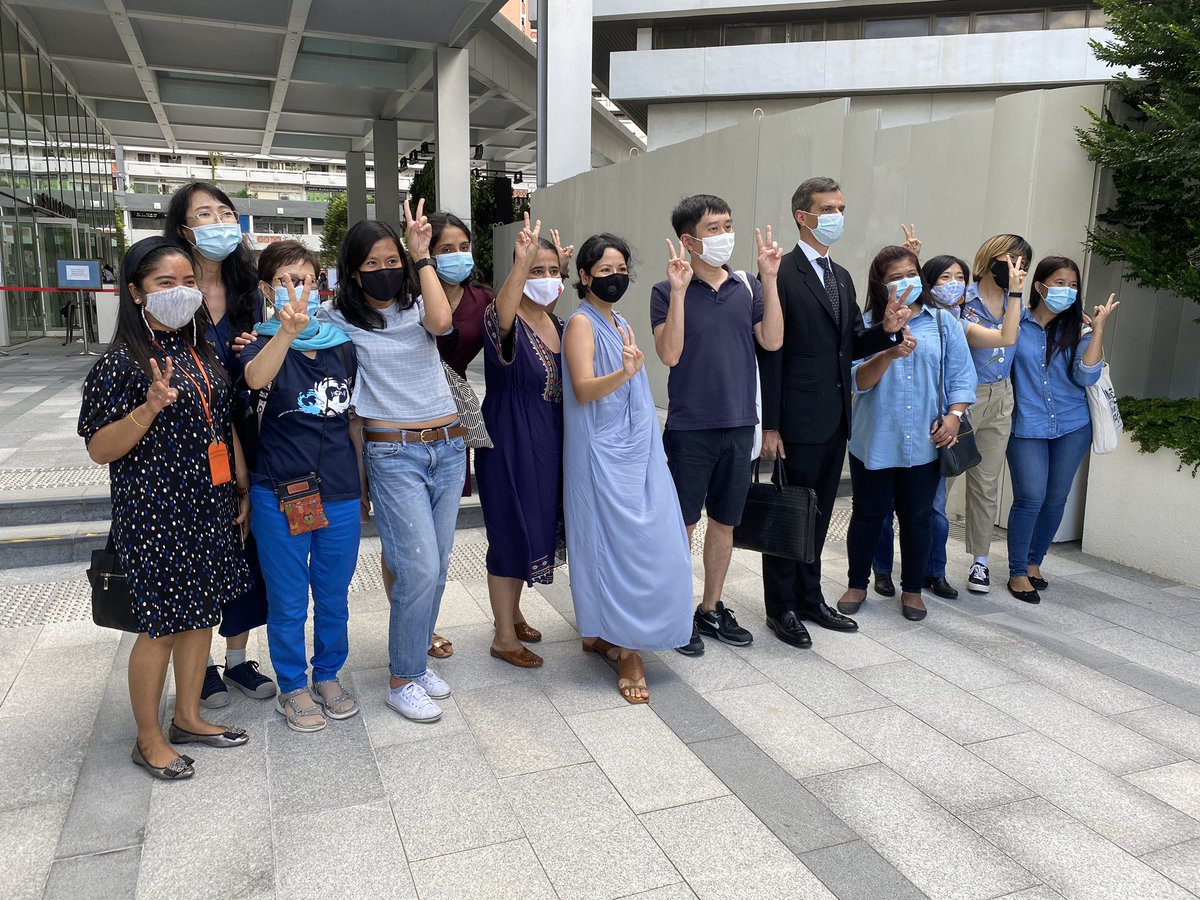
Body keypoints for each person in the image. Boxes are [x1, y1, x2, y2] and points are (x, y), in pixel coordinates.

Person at [79, 236, 251, 780]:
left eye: (188, 282)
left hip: (209, 503)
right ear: (135, 292)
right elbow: (98, 448)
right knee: (159, 625)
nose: (181, 292)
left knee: (202, 614)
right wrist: (150, 407)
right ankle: (148, 738)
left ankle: (188, 715)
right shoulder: (121, 363)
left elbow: (219, 419)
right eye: (164, 283)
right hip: (154, 512)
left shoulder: (198, 348)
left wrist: (240, 488)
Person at [322, 201, 465, 724]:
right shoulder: (336, 319)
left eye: (392, 261)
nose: (385, 271)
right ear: (353, 271)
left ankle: (416, 659)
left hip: (449, 445)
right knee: (419, 567)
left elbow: (444, 321)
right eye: (372, 264)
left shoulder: (416, 303)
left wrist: (422, 255)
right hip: (393, 451)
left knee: (439, 565)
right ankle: (402, 678)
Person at [757, 177, 908, 648]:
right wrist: (772, 425)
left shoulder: (840, 275)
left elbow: (848, 348)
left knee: (819, 515)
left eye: (841, 207)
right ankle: (780, 607)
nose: (837, 216)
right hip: (796, 420)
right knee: (789, 512)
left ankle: (809, 596)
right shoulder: (780, 273)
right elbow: (771, 354)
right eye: (827, 208)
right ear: (802, 216)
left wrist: (885, 331)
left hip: (835, 417)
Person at [651, 195, 784, 657]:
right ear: (688, 241)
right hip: (690, 428)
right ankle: (673, 612)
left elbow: (773, 339)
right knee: (682, 525)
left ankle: (710, 608)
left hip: (740, 423)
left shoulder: (746, 286)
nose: (724, 234)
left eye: (728, 224)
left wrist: (769, 278)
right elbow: (669, 354)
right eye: (713, 228)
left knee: (725, 523)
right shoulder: (665, 291)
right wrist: (682, 292)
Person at [563, 233, 692, 703]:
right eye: (604, 271)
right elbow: (583, 389)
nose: (614, 278)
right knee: (619, 546)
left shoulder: (615, 319)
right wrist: (626, 372)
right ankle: (629, 649)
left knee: (653, 542)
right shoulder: (581, 323)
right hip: (602, 455)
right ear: (583, 276)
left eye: (621, 270)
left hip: (637, 448)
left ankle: (605, 630)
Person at [241, 241, 361, 732]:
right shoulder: (256, 344)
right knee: (288, 599)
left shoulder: (340, 343)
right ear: (267, 289)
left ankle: (327, 673)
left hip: (339, 489)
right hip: (279, 491)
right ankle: (291, 685)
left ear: (319, 283)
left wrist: (364, 483)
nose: (299, 289)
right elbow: (253, 379)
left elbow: (349, 416)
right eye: (287, 280)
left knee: (334, 594)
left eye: (307, 279)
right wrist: (284, 336)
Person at [165, 182, 275, 708]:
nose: (218, 222)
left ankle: (237, 659)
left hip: (251, 437)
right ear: (184, 229)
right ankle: (200, 664)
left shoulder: (253, 292)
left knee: (250, 550)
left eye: (225, 212)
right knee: (200, 552)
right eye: (204, 214)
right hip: (191, 445)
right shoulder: (170, 296)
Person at [836, 245, 976, 620]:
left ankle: (913, 589)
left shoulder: (944, 322)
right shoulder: (866, 324)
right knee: (868, 513)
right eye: (894, 277)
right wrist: (887, 351)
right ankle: (857, 582)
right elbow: (859, 382)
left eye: (910, 273)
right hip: (875, 439)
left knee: (917, 517)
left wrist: (954, 416)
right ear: (880, 285)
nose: (904, 282)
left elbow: (962, 376)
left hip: (926, 440)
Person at [871, 253, 1022, 600]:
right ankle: (881, 569)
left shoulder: (950, 322)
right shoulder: (879, 319)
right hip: (889, 423)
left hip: (937, 426)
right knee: (881, 505)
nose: (953, 284)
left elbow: (993, 348)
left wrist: (954, 414)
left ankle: (933, 571)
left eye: (959, 277)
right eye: (944, 278)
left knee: (932, 508)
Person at [476, 215, 566, 668]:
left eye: (553, 272)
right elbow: (503, 309)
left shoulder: (561, 325)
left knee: (533, 524)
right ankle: (502, 636)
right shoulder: (503, 318)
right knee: (509, 529)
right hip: (510, 437)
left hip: (548, 438)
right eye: (536, 270)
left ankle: (512, 612)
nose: (546, 280)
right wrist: (521, 264)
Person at [1006, 256, 1118, 603]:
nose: (1066, 291)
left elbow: (1086, 375)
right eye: (1058, 283)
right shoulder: (1017, 324)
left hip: (1072, 424)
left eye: (1072, 285)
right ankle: (1016, 572)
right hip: (1026, 424)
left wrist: (1097, 329)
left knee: (1056, 498)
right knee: (1030, 497)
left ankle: (1034, 562)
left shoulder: (1079, 328)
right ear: (1039, 286)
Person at [958, 234, 1033, 594]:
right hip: (961, 398)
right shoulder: (962, 299)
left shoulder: (1018, 304)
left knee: (986, 483)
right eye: (1011, 259)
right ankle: (927, 557)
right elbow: (1001, 338)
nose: (1017, 268)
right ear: (991, 259)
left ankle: (980, 561)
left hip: (1001, 397)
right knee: (942, 478)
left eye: (1024, 263)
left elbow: (1030, 333)